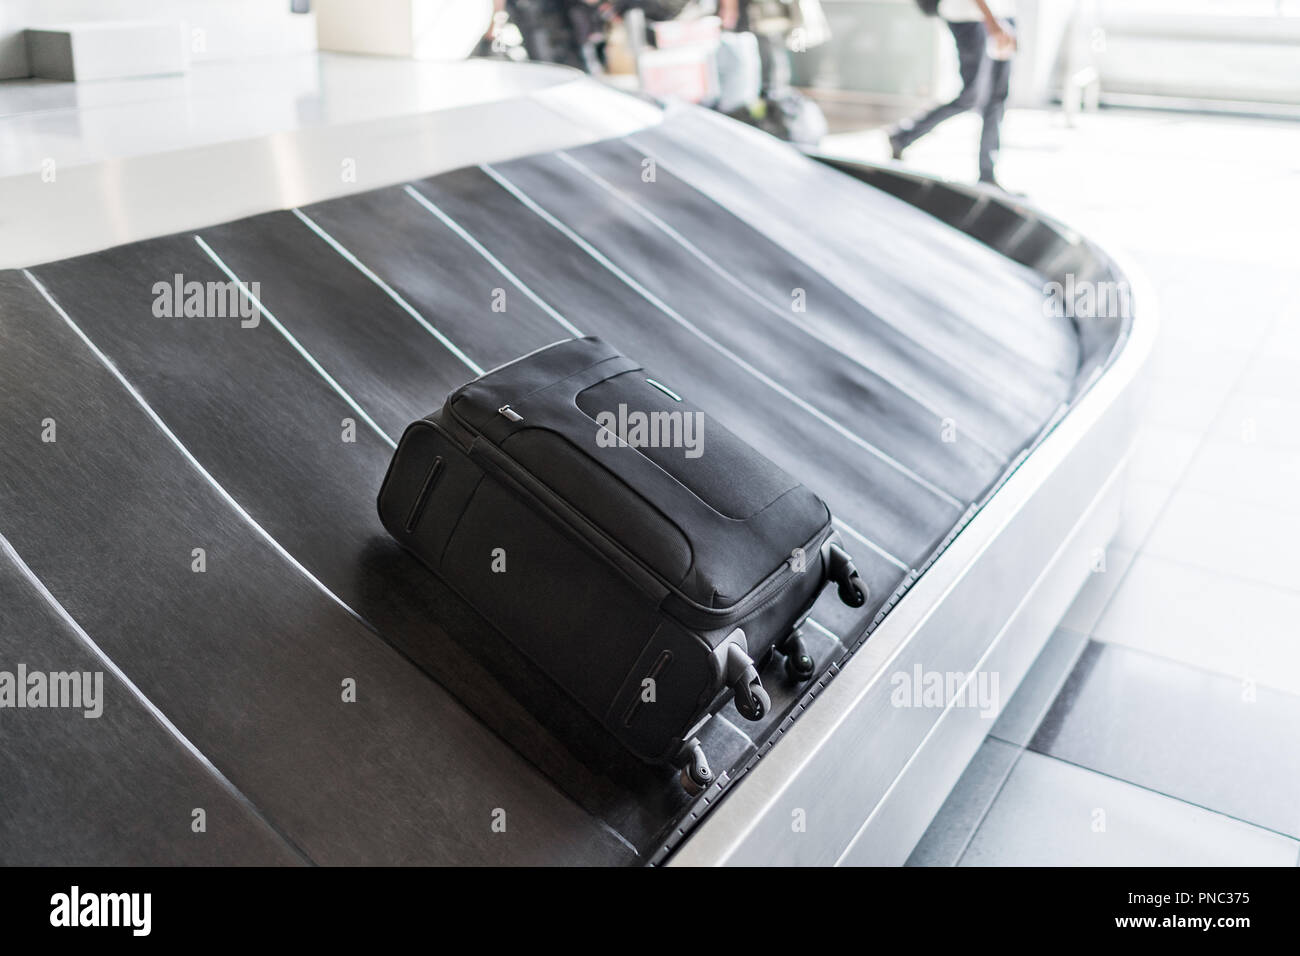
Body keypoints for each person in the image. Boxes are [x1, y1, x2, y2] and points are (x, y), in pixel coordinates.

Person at [887, 0, 1016, 189]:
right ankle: (904, 136)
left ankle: (988, 173)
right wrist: (991, 20)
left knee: (997, 96)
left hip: (1003, 15)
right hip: (972, 17)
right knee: (971, 96)